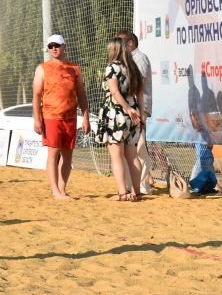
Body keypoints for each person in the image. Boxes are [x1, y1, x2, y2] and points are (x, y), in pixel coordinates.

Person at [31, 33, 89, 200]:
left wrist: (85, 116)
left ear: (65, 46)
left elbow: (81, 94)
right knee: (53, 153)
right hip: (51, 115)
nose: (54, 48)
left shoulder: (74, 68)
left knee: (68, 155)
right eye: (51, 46)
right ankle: (55, 191)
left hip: (70, 117)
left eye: (57, 45)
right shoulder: (42, 68)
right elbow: (36, 95)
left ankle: (62, 190)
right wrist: (36, 119)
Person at [94, 37, 145, 200]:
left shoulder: (112, 68)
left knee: (116, 156)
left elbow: (114, 92)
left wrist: (127, 108)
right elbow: (141, 94)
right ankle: (136, 192)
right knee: (133, 156)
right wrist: (139, 113)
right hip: (133, 116)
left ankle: (122, 192)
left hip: (115, 114)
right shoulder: (133, 68)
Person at [116, 30, 154, 194]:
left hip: (139, 107)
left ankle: (143, 186)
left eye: (121, 41)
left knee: (139, 147)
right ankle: (132, 184)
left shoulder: (140, 58)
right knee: (129, 148)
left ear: (131, 42)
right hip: (130, 107)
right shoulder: (128, 60)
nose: (119, 45)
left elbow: (139, 83)